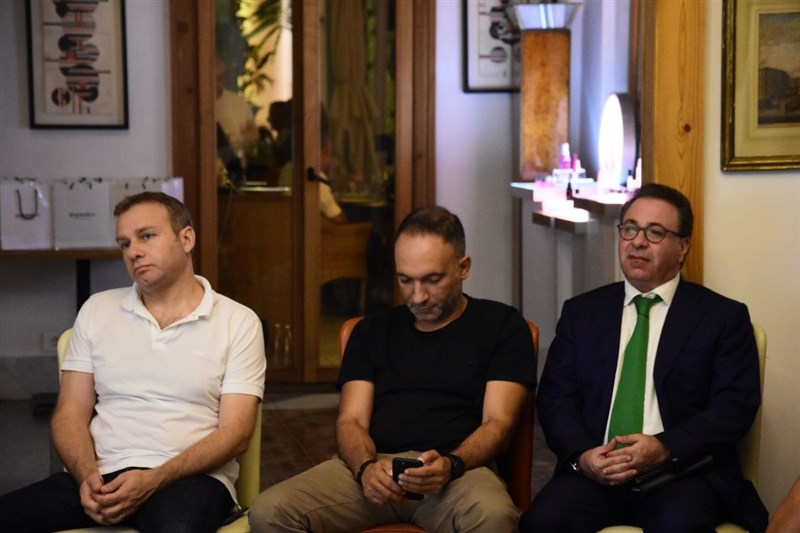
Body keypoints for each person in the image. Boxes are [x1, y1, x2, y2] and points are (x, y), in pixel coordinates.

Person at [248, 206, 536, 532]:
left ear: (463, 267)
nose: (418, 296)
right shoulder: (370, 331)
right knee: (269, 511)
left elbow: (498, 423)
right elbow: (351, 421)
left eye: (432, 280)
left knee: (494, 517)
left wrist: (452, 464)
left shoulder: (501, 326)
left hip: (460, 472)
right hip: (377, 467)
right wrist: (365, 469)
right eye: (405, 280)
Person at [0, 192, 267, 533]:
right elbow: (69, 414)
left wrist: (155, 479)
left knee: (176, 528)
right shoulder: (97, 310)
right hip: (100, 476)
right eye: (124, 243)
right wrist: (86, 476)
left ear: (186, 239)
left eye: (146, 236)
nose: (133, 252)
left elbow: (236, 433)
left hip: (189, 478)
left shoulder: (238, 322)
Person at [520, 183, 768, 532]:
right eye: (630, 229)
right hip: (597, 472)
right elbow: (555, 399)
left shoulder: (722, 317)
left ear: (683, 247)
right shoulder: (582, 312)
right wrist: (583, 456)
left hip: (681, 473)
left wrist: (664, 447)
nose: (637, 242)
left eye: (655, 232)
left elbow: (734, 407)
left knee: (679, 524)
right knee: (540, 522)